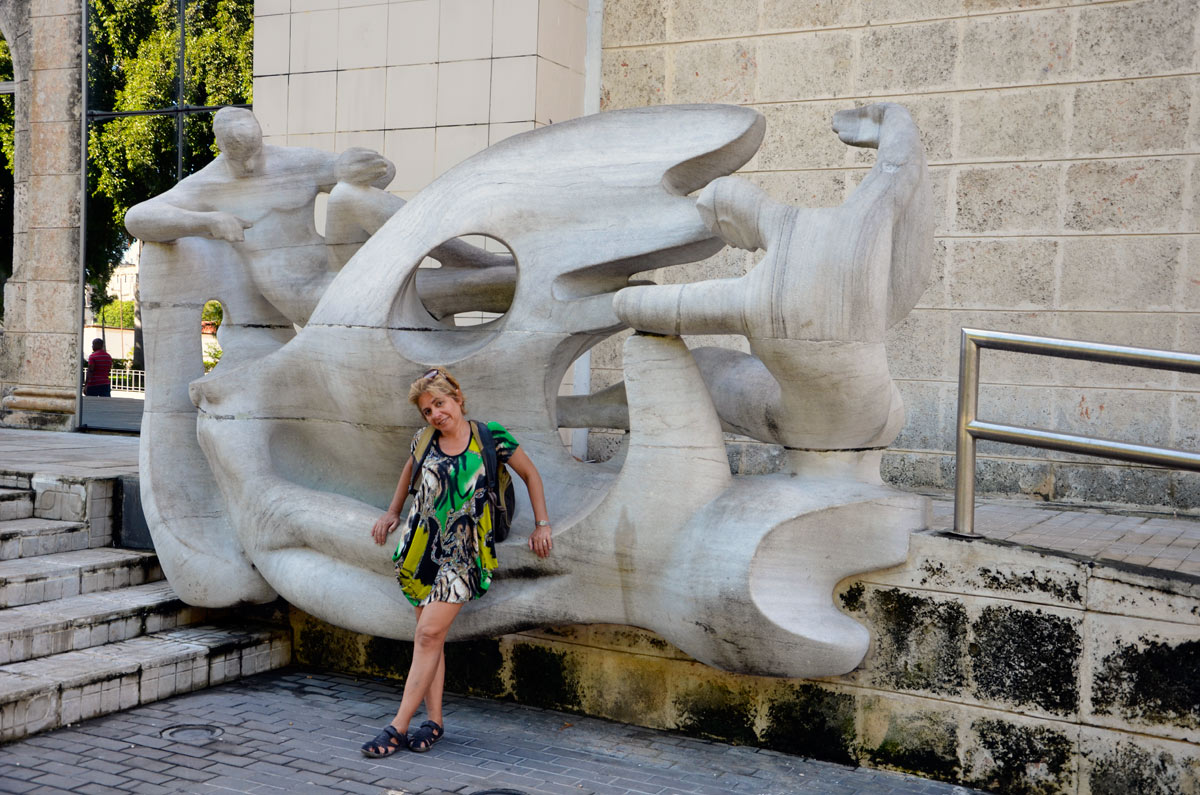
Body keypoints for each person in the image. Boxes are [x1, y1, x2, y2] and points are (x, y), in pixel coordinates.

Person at [362, 367, 553, 756]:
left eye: (439, 404)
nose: (435, 414)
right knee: (430, 641)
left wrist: (542, 524)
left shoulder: (490, 436)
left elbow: (531, 475)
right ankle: (433, 723)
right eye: (427, 410)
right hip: (420, 549)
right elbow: (408, 475)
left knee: (428, 636)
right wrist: (392, 512)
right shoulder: (424, 440)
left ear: (458, 398)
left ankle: (397, 727)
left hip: (464, 553)